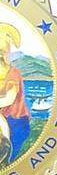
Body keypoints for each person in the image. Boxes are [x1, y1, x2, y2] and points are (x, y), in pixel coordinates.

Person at [0, 22, 31, 165]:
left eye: (2, 53)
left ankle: (5, 153)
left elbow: (9, 99)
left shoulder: (13, 74)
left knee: (8, 156)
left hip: (16, 121)